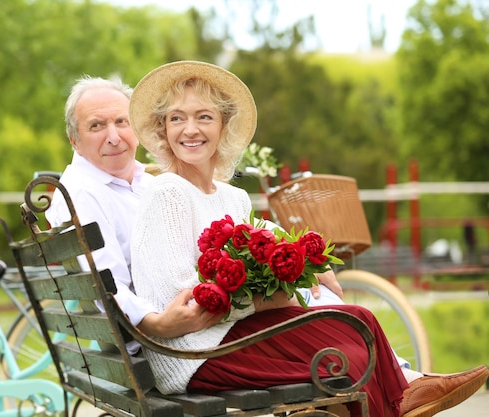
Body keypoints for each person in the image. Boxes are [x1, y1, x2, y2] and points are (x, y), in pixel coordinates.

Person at [128, 60, 489, 417]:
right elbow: (184, 305)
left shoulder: (232, 197)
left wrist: (306, 266)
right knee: (350, 350)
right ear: (163, 130)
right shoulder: (169, 193)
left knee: (358, 322)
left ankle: (407, 396)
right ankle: (406, 396)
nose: (190, 129)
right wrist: (269, 300)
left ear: (224, 126)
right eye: (177, 118)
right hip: (195, 355)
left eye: (204, 116)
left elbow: (258, 251)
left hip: (232, 332)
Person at [45, 75, 341, 340]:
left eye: (121, 122)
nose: (113, 136)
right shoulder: (82, 194)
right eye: (96, 125)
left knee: (339, 322)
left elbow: (223, 222)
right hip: (168, 336)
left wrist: (298, 256)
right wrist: (153, 325)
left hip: (205, 323)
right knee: (339, 331)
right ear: (74, 139)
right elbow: (105, 282)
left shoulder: (145, 182)